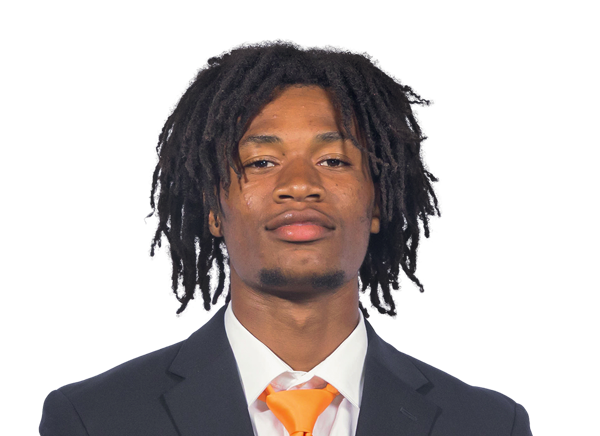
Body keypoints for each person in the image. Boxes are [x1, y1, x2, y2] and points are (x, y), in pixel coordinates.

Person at [39, 39, 532, 435]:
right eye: (261, 162)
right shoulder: (92, 419)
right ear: (213, 210)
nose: (299, 185)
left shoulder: (488, 425)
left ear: (378, 203)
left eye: (333, 160)